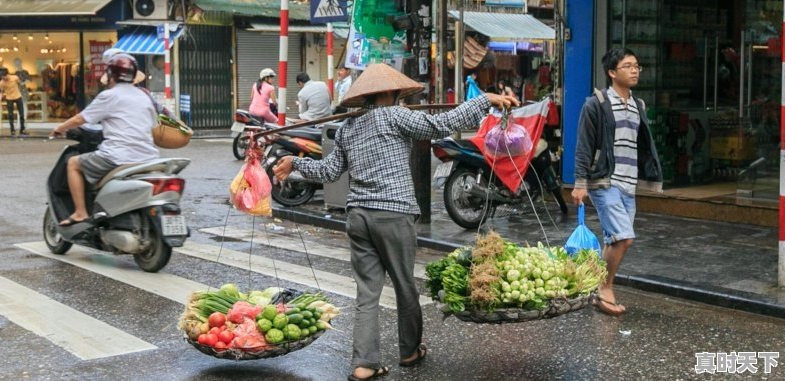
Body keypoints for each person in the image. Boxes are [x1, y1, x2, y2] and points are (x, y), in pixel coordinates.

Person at [273, 64, 517, 381]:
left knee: (367, 294)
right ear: (388, 93)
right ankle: (409, 351)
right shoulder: (394, 116)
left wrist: (296, 161)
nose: (400, 98)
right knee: (405, 288)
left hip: (358, 217)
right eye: (397, 94)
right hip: (393, 213)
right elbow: (441, 124)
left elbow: (329, 172)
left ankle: (364, 364)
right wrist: (484, 99)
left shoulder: (347, 127)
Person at [571, 47, 662, 316]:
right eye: (628, 66)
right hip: (604, 182)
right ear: (612, 72)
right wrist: (580, 182)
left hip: (629, 183)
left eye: (637, 65)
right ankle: (604, 288)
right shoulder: (596, 104)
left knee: (613, 239)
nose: (635, 70)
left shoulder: (639, 105)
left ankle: (596, 288)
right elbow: (584, 145)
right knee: (624, 238)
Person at [50, 54, 159, 227]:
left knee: (73, 163)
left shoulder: (109, 96)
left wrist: (60, 128)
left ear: (111, 75)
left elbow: (80, 119)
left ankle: (80, 212)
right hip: (149, 157)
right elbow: (153, 125)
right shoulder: (145, 96)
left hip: (118, 156)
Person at [0, 69, 26, 136]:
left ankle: (22, 129)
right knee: (10, 115)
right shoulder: (1, 83)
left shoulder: (15, 78)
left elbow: (20, 84)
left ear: (7, 75)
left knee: (21, 114)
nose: (3, 79)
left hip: (18, 97)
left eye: (4, 77)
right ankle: (12, 130)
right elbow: (1, 92)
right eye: (1, 78)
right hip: (9, 98)